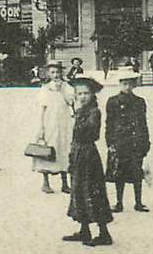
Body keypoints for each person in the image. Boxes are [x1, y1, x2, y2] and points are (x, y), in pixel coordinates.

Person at [63, 76, 113, 247]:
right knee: (78, 190)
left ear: (93, 95)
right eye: (79, 93)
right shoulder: (80, 110)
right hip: (78, 153)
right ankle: (84, 229)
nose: (83, 96)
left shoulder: (94, 112)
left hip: (88, 155)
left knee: (93, 191)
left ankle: (104, 233)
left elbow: (92, 133)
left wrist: (76, 123)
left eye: (86, 93)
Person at [105, 73, 150, 213]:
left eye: (130, 83)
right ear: (120, 84)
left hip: (136, 141)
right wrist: (110, 142)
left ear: (134, 85)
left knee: (137, 172)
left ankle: (138, 202)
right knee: (119, 172)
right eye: (124, 83)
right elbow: (109, 123)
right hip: (120, 141)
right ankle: (119, 202)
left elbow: (143, 123)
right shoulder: (112, 101)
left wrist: (145, 141)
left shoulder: (140, 101)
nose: (127, 87)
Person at [33, 61, 74, 194]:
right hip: (50, 122)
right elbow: (42, 109)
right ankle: (46, 183)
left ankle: (64, 183)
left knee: (64, 148)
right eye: (53, 72)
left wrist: (62, 89)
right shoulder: (45, 89)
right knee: (48, 150)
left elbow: (71, 101)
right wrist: (41, 128)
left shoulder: (66, 86)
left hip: (64, 122)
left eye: (58, 72)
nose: (56, 75)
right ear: (48, 74)